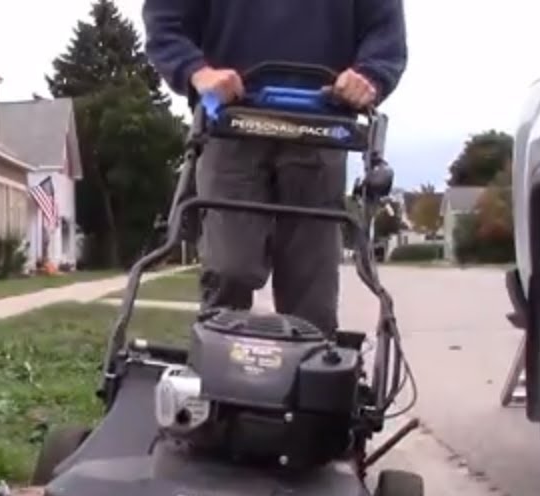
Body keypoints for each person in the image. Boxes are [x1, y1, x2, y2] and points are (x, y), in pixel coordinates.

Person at [142, 0, 407, 335]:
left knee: (311, 289)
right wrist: (198, 71)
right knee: (229, 269)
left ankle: (311, 378)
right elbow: (166, 21)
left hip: (323, 126)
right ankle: (220, 373)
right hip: (229, 120)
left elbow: (385, 32)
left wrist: (368, 76)